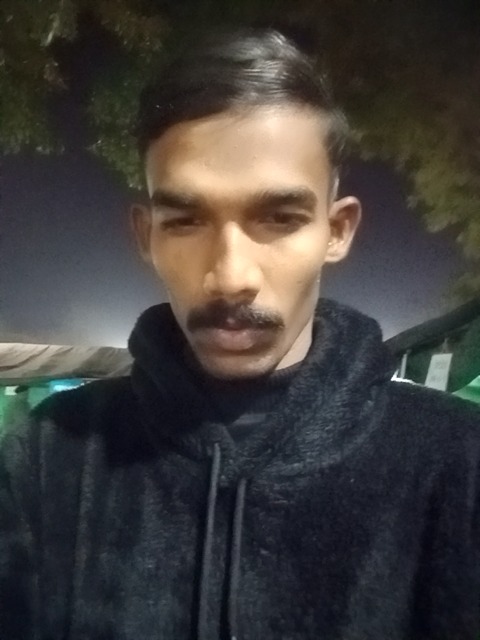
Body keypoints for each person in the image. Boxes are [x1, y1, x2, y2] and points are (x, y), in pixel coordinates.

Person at [1, 28, 479, 640]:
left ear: (337, 231)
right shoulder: (48, 456)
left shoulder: (458, 464)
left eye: (279, 218)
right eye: (186, 220)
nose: (230, 277)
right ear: (146, 235)